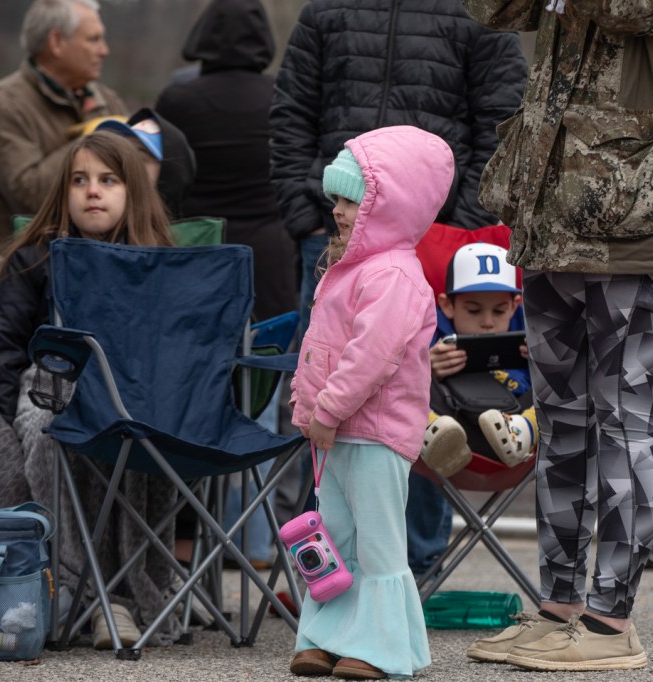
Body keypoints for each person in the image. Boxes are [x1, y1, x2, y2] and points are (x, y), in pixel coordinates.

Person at [460, 0, 653, 671]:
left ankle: (612, 622)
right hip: (557, 217)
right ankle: (559, 609)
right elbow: (494, 9)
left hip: (644, 223)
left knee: (624, 422)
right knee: (561, 422)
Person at [269, 0, 527, 582]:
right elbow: (292, 110)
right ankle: (324, 571)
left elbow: (503, 117)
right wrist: (305, 212)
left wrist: (456, 225)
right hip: (331, 226)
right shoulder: (327, 8)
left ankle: (415, 566)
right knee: (325, 384)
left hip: (435, 236)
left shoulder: (476, 9)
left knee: (422, 392)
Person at [0, 131, 180, 648]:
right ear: (62, 191)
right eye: (79, 180)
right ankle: (74, 587)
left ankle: (113, 596)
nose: (92, 191)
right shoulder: (34, 259)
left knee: (131, 433)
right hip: (48, 395)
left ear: (133, 191)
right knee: (48, 423)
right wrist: (11, 429)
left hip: (132, 401)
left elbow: (176, 354)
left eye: (108, 180)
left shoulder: (160, 264)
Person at [287, 125, 453, 679]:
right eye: (336, 198)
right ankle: (325, 636)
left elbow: (371, 357)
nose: (337, 210)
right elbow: (320, 345)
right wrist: (308, 407)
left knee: (379, 545)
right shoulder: (352, 267)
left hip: (376, 433)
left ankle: (383, 648)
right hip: (335, 431)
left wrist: (325, 410)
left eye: (353, 200)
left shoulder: (395, 275)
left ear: (393, 207)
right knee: (335, 540)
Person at [156, 0, 296, 323]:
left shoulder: (177, 101)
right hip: (270, 254)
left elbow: (163, 179)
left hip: (196, 244)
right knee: (267, 348)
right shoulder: (282, 95)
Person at [0, 0, 126, 255]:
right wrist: (97, 135)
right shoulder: (5, 103)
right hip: (28, 264)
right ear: (56, 42)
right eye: (93, 39)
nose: (104, 50)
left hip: (103, 260)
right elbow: (28, 196)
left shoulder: (108, 100)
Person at [419, 242, 537, 478]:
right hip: (453, 431)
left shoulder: (532, 328)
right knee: (400, 374)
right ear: (447, 305)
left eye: (499, 311)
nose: (487, 322)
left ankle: (526, 428)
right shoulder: (428, 331)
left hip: (518, 433)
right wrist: (424, 368)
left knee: (563, 371)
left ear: (514, 306)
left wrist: (541, 361)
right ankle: (428, 427)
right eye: (474, 310)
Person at [96, 107, 197, 220]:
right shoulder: (96, 221)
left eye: (139, 158)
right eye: (121, 155)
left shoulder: (188, 232)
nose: (125, 165)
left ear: (168, 173)